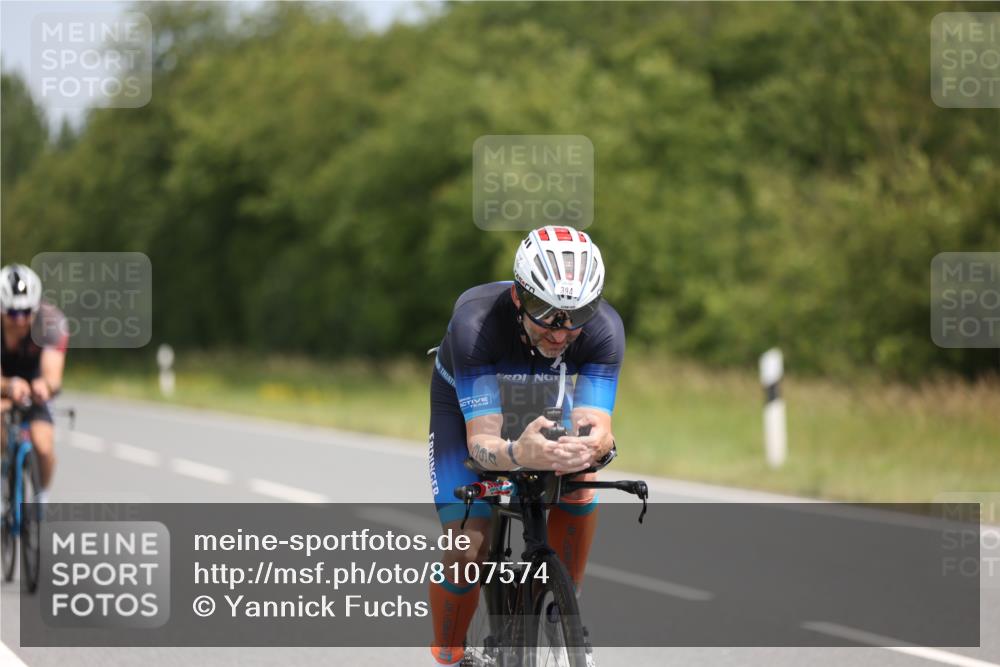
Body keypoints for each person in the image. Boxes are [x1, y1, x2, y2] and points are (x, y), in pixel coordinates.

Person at [427, 226, 624, 665]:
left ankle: (558, 607)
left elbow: (597, 423)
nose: (562, 330)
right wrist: (517, 455)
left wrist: (592, 446)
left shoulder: (603, 330)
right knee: (468, 545)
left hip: (538, 394)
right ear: (519, 296)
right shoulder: (474, 323)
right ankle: (450, 652)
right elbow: (481, 445)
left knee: (582, 480)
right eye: (546, 311)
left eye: (578, 313)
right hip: (467, 407)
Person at [0, 264, 69, 503]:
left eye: (26, 312)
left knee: (44, 447)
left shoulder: (51, 322)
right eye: (12, 314)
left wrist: (45, 386)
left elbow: (53, 375)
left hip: (35, 379)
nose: (19, 320)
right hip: (4, 382)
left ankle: (42, 499)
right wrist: (9, 386)